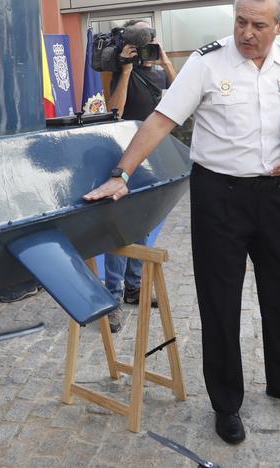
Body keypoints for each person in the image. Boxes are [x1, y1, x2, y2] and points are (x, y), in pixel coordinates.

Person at [84, 0, 280, 445]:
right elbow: (161, 120)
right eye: (241, 21)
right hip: (219, 196)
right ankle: (226, 403)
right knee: (220, 301)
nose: (247, 32)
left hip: (275, 195)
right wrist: (122, 172)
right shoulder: (207, 61)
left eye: (259, 24)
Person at [103, 20, 176, 330]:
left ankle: (134, 287)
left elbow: (179, 91)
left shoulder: (158, 71)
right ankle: (112, 297)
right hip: (125, 159)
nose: (147, 42)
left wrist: (164, 59)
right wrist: (127, 70)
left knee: (144, 225)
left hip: (152, 158)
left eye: (150, 37)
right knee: (119, 229)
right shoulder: (116, 71)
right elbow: (114, 110)